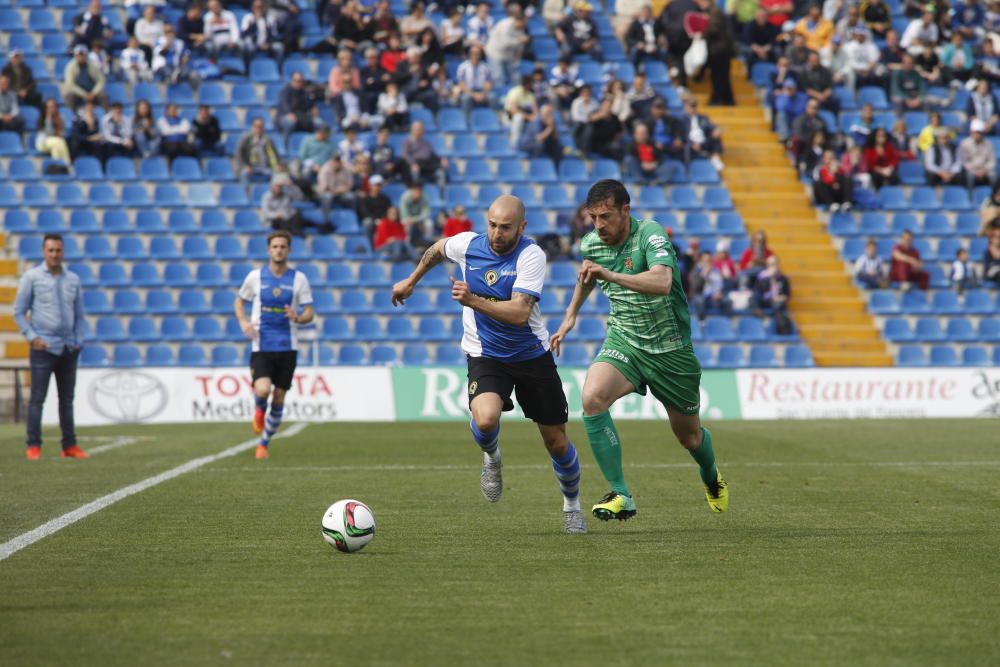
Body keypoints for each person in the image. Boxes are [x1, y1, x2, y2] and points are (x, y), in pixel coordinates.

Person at [391, 195, 586, 535]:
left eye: (506, 227)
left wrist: (473, 300)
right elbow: (438, 249)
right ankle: (492, 457)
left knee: (556, 442)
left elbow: (520, 313)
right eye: (493, 225)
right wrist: (411, 280)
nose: (497, 233)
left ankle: (572, 505)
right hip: (486, 355)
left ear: (521, 227)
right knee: (485, 420)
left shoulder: (530, 255)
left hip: (531, 356)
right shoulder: (468, 244)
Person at [549, 180, 728, 522]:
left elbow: (661, 283)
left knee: (689, 437)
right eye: (593, 218)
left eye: (606, 216)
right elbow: (588, 276)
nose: (599, 225)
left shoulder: (651, 235)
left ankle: (711, 475)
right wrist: (570, 316)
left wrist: (611, 275)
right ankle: (621, 494)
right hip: (625, 341)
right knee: (592, 397)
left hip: (670, 352)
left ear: (625, 211)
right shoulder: (592, 243)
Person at [235, 230, 315, 459]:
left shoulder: (299, 279)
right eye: (275, 246)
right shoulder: (255, 277)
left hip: (288, 345)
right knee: (262, 388)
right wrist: (243, 322)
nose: (279, 250)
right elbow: (239, 302)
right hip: (262, 343)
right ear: (269, 250)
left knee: (279, 397)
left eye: (283, 246)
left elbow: (310, 311)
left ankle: (264, 443)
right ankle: (259, 408)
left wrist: (298, 317)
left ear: (289, 250)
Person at [13, 234, 87, 461]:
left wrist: (79, 340)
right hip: (43, 348)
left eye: (58, 250)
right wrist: (32, 337)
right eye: (51, 250)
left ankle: (69, 445)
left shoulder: (73, 279)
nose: (55, 254)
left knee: (67, 400)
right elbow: (18, 312)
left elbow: (80, 315)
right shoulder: (32, 277)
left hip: (68, 348)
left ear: (63, 252)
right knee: (37, 399)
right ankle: (34, 445)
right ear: (44, 252)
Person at [698, 0, 736, 106]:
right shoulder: (713, 12)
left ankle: (717, 99)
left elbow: (714, 29)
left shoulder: (714, 13)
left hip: (720, 50)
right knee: (722, 76)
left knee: (718, 76)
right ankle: (728, 100)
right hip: (719, 49)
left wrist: (702, 31)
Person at [485, 7, 529, 86]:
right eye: (524, 22)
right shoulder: (505, 25)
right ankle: (500, 96)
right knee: (498, 77)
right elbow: (504, 43)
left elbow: (519, 46)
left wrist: (517, 59)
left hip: (508, 55)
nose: (525, 24)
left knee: (514, 78)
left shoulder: (521, 28)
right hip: (495, 53)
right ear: (519, 20)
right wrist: (519, 40)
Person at [235, 117, 282, 191]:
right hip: (251, 167)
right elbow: (239, 154)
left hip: (265, 167)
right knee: (244, 175)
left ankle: (272, 195)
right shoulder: (246, 139)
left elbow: (275, 155)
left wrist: (277, 165)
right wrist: (245, 166)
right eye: (256, 126)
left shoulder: (268, 140)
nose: (258, 129)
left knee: (277, 175)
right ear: (252, 127)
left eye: (260, 126)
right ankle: (247, 196)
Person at [688, 250, 732, 320]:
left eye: (709, 260)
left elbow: (721, 286)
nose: (708, 263)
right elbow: (695, 288)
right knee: (700, 300)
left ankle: (726, 323)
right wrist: (703, 275)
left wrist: (720, 293)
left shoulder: (716, 271)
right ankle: (701, 323)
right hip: (701, 296)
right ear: (701, 261)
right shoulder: (696, 271)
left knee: (727, 300)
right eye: (705, 260)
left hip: (714, 298)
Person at [402, 120, 448, 187]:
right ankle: (416, 189)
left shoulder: (426, 143)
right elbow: (405, 155)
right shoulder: (407, 142)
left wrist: (441, 159)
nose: (421, 130)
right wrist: (412, 163)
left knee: (440, 171)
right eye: (418, 129)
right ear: (413, 130)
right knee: (414, 170)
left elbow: (433, 154)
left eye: (421, 128)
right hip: (416, 163)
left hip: (428, 163)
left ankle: (441, 192)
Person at [62, 45, 108, 112]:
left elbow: (101, 80)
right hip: (77, 91)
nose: (80, 57)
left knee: (103, 96)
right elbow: (70, 84)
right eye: (78, 55)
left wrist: (94, 92)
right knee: (69, 96)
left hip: (92, 90)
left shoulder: (93, 65)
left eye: (82, 55)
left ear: (86, 55)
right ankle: (71, 115)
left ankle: (106, 114)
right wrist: (84, 94)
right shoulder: (70, 66)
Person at [958, 119, 997, 189]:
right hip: (971, 170)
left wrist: (984, 170)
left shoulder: (988, 144)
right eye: (975, 132)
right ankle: (970, 197)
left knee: (993, 176)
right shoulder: (965, 144)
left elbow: (992, 160)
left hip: (985, 170)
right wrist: (975, 171)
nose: (977, 134)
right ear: (971, 132)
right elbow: (964, 161)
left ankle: (993, 196)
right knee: (969, 176)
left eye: (979, 132)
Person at [36, 99, 71, 163]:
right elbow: (49, 134)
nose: (51, 109)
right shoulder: (43, 119)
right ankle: (67, 164)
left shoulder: (60, 117)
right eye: (49, 107)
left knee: (56, 148)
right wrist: (48, 118)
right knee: (60, 142)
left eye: (53, 106)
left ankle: (58, 166)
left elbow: (63, 132)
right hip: (43, 143)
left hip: (56, 142)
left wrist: (60, 134)